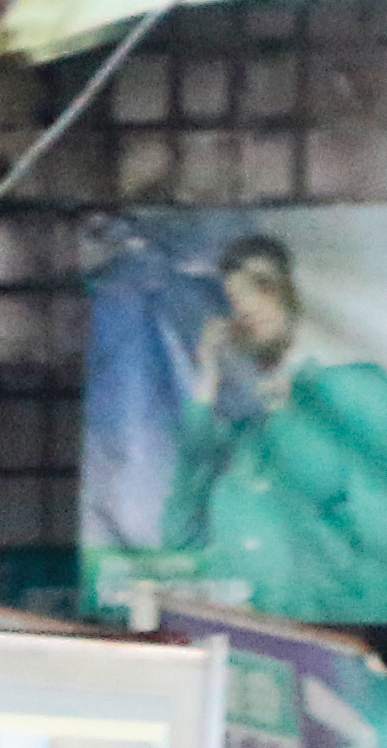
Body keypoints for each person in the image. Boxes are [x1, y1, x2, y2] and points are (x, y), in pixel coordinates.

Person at [161, 232, 387, 621]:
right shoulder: (242, 439)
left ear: (292, 293)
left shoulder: (350, 390)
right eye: (234, 300)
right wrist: (206, 380)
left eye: (261, 287)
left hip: (339, 640)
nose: (247, 305)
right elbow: (180, 534)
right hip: (252, 648)